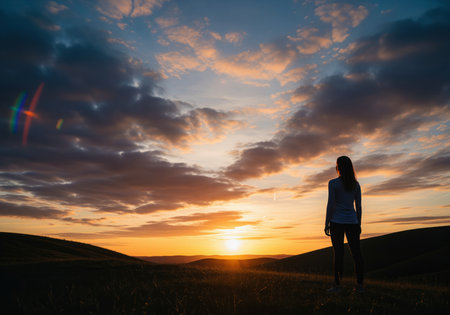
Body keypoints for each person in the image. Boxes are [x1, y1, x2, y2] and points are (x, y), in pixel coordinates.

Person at [324, 156, 364, 293]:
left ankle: (337, 285)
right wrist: (359, 223)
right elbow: (358, 207)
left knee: (338, 254)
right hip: (352, 222)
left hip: (336, 222)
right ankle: (359, 286)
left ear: (338, 167)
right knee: (356, 254)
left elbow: (330, 205)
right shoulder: (356, 185)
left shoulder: (333, 183)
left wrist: (326, 222)